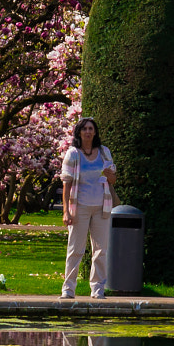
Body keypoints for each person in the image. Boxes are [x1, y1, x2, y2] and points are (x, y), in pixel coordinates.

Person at [60, 119, 118, 300]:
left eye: (91, 129)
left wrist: (111, 176)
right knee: (76, 249)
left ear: (95, 132)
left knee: (101, 250)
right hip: (80, 206)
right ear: (79, 132)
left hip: (102, 206)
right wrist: (66, 211)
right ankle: (68, 289)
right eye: (84, 129)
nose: (87, 132)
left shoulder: (104, 152)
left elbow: (112, 180)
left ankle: (98, 288)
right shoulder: (73, 154)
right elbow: (66, 183)